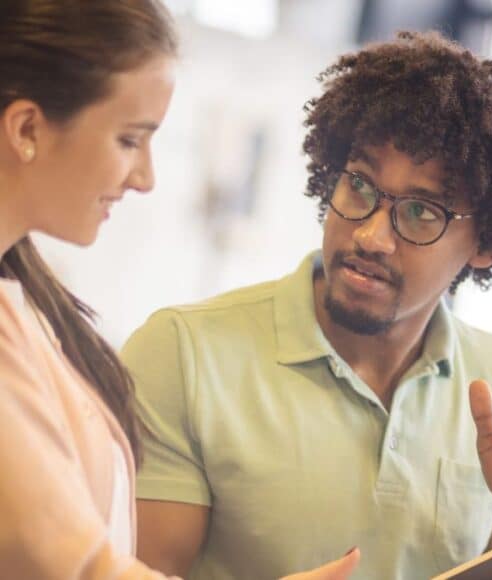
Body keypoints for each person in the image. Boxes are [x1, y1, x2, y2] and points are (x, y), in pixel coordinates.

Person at [121, 30, 492, 580]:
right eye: (360, 185)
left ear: (486, 246)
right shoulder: (183, 353)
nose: (370, 236)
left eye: (420, 213)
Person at [0, 1, 360, 579]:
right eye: (128, 139)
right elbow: (67, 563)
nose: (144, 178)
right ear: (26, 128)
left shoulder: (29, 298)